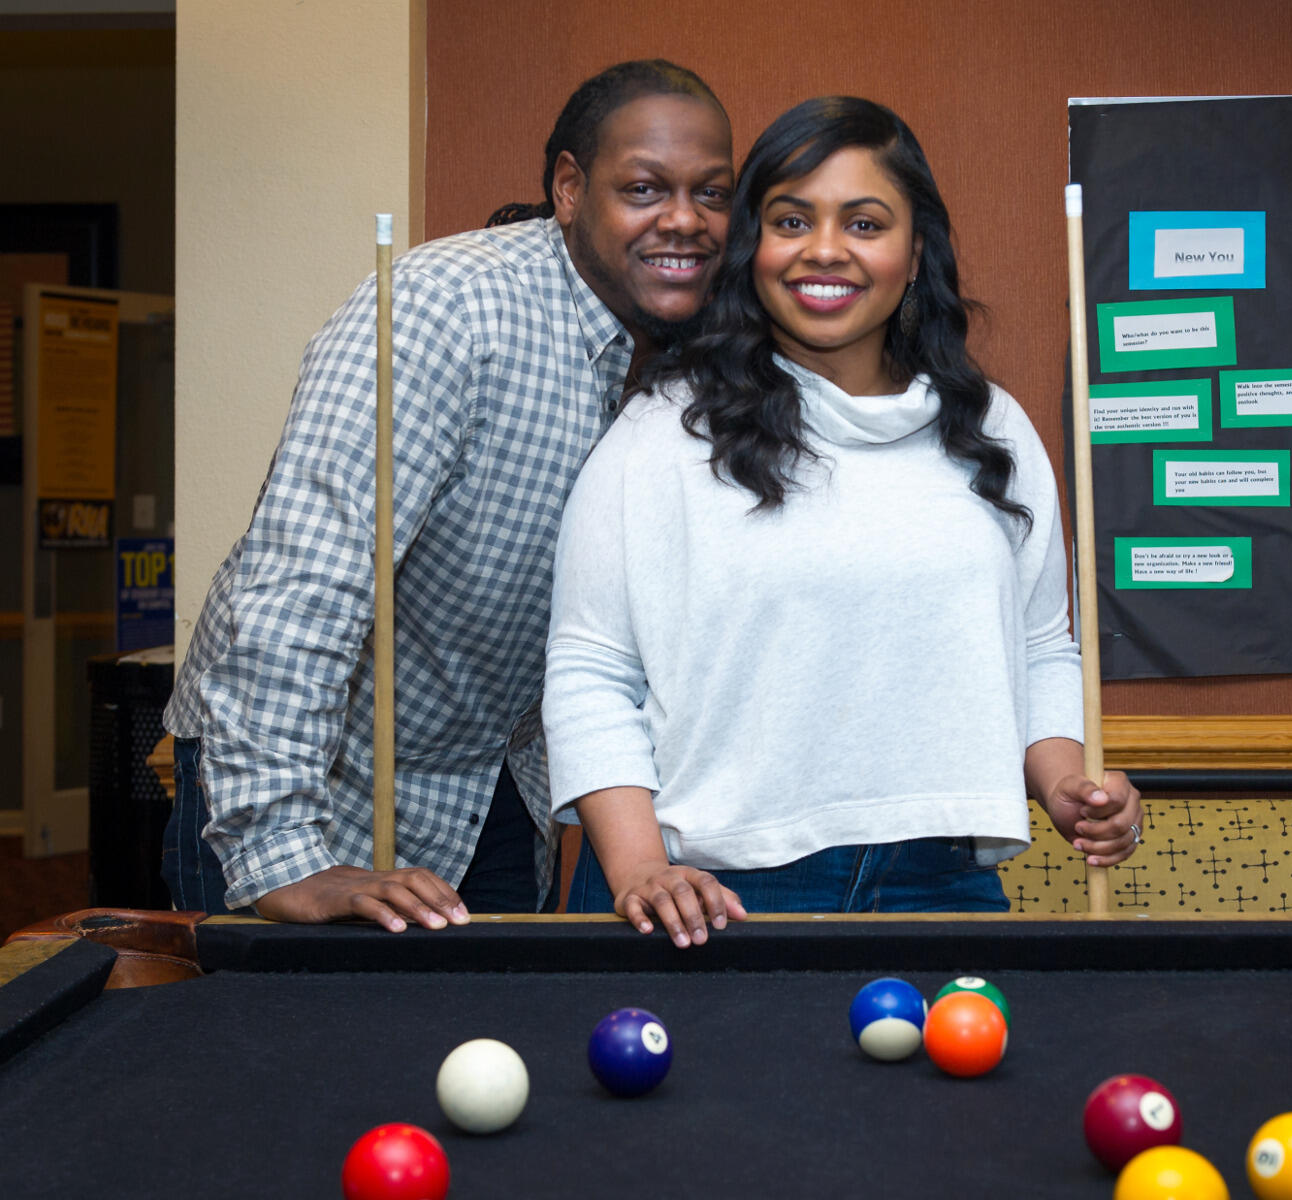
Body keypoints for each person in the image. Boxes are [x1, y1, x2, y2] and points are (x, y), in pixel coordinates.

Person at [543, 96, 1143, 946]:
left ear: (915, 249)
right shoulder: (664, 434)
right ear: (755, 247)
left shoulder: (992, 428)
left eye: (865, 222)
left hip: (941, 879)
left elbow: (1042, 647)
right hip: (714, 887)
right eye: (792, 220)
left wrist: (1069, 785)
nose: (825, 249)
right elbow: (589, 668)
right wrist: (638, 865)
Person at [160, 60, 733, 931]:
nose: (685, 221)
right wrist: (283, 855)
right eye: (646, 188)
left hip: (496, 786)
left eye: (714, 194)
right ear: (571, 189)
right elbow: (305, 581)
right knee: (291, 1065)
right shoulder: (446, 307)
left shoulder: (709, 347)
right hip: (311, 788)